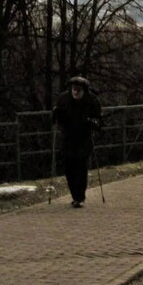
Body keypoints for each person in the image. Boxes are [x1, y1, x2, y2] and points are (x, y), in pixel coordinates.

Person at [52, 75, 102, 208]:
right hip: (67, 137)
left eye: (78, 90)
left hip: (84, 138)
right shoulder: (63, 99)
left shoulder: (92, 100)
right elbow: (57, 119)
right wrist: (56, 113)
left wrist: (92, 122)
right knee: (68, 167)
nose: (75, 92)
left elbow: (99, 120)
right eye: (73, 89)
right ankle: (75, 195)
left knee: (80, 166)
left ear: (84, 90)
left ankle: (80, 196)